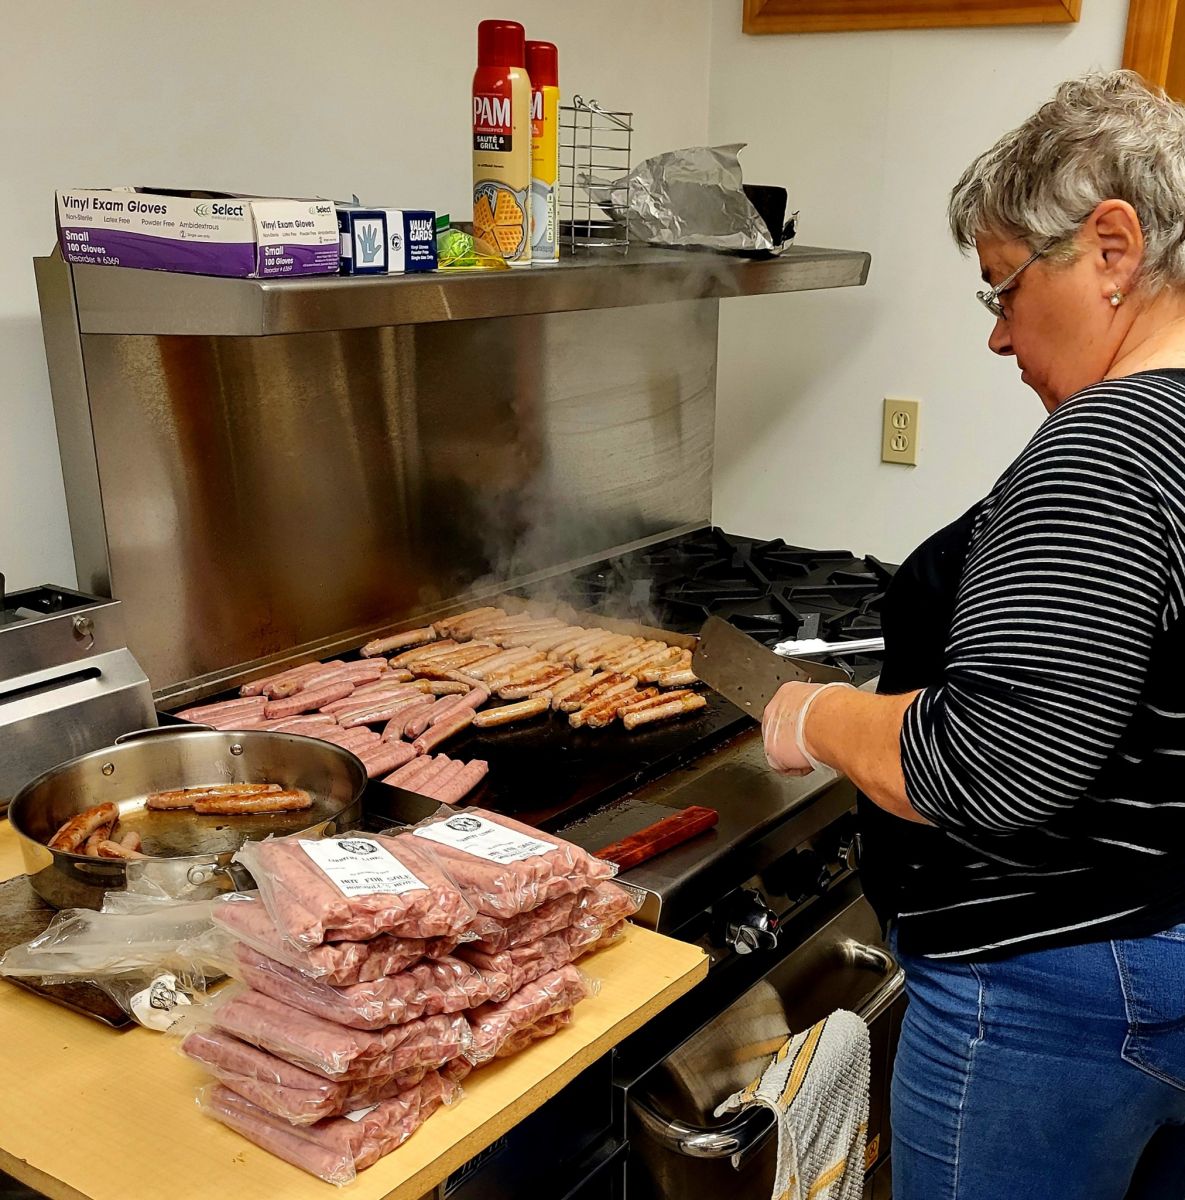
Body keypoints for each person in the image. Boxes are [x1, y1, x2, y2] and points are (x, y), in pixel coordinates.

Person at [761, 70, 1185, 1200]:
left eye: (1001, 290)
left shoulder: (1110, 447)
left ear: (1111, 247)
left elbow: (991, 765)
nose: (998, 337)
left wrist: (816, 715)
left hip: (1052, 997)